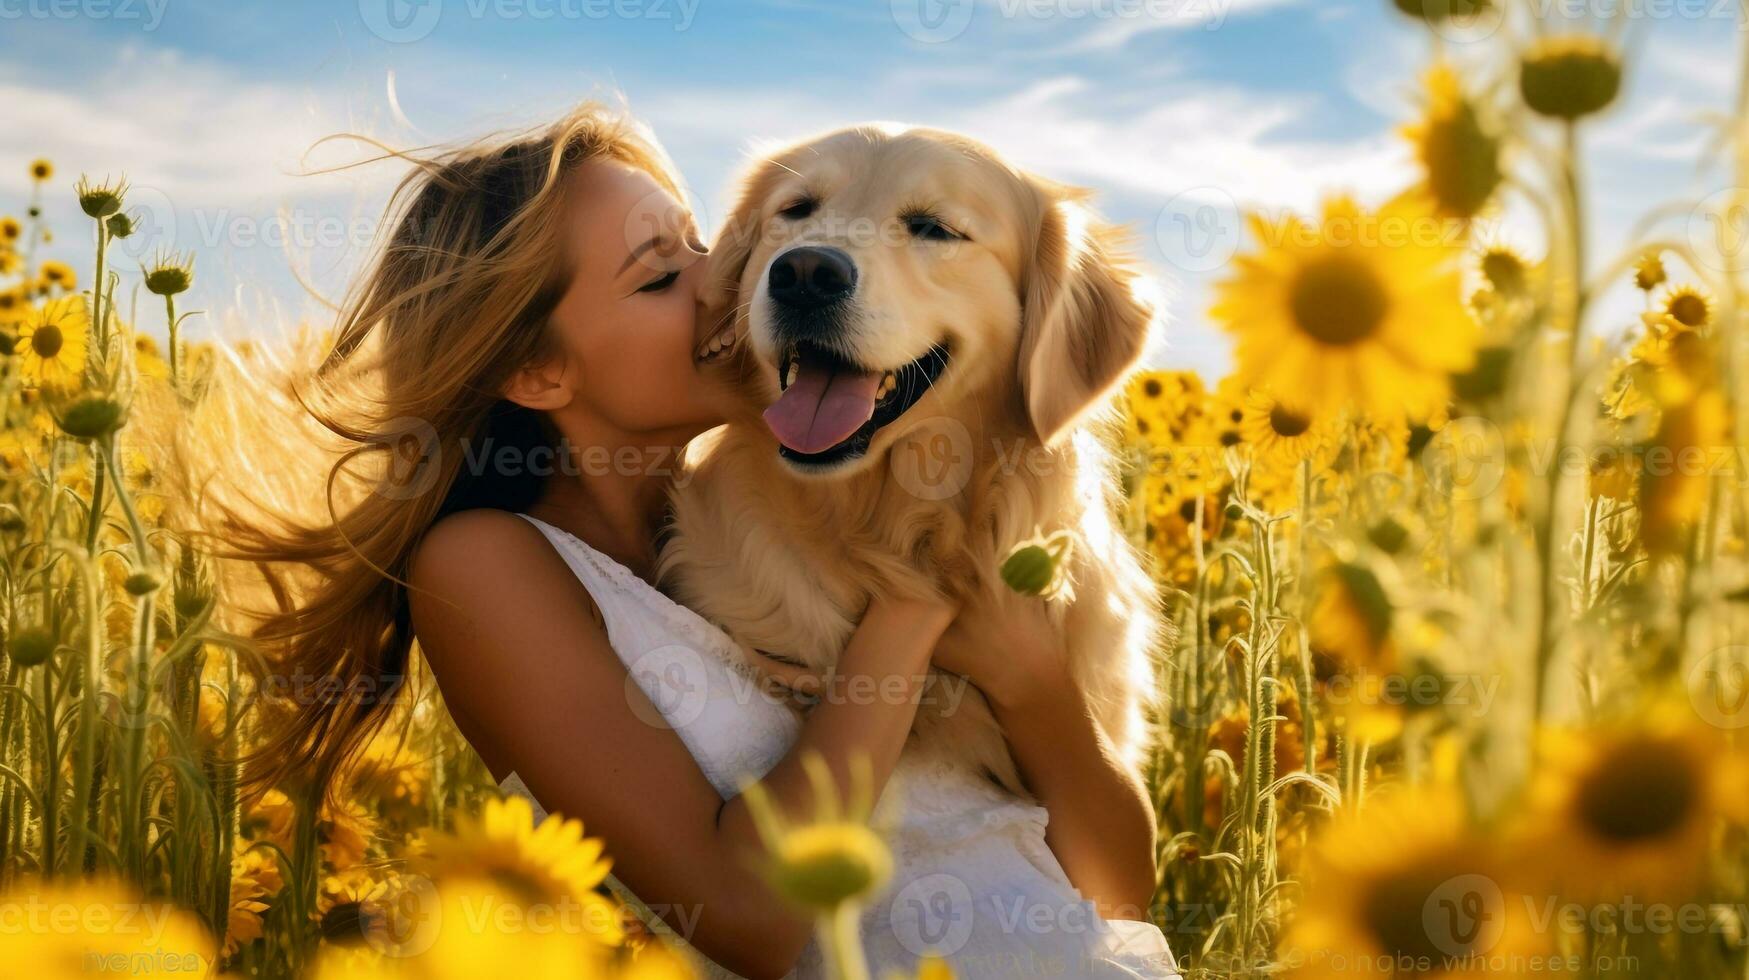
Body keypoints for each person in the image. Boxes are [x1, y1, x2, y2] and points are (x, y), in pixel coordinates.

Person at [224, 101, 1178, 979]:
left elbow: (1118, 902)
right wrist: (917, 602)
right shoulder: (483, 567)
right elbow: (749, 920)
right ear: (539, 369)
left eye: (703, 244)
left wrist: (1032, 682)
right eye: (661, 277)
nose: (733, 281)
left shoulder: (774, 520)